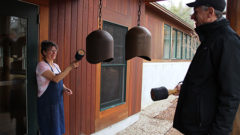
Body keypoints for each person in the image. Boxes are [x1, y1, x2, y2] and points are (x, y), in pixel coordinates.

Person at [173, 0, 240, 135]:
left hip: (205, 129)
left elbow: (231, 95)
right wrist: (186, 86)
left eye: (196, 12)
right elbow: (206, 79)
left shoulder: (227, 41)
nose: (192, 16)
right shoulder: (211, 39)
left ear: (210, 12)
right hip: (196, 126)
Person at [36, 40, 80, 135]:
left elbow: (60, 80)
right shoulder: (41, 66)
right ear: (44, 52)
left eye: (55, 50)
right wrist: (70, 67)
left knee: (57, 128)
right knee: (48, 128)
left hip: (57, 101)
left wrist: (64, 88)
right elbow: (55, 79)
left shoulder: (56, 65)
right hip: (47, 103)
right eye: (51, 50)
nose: (54, 53)